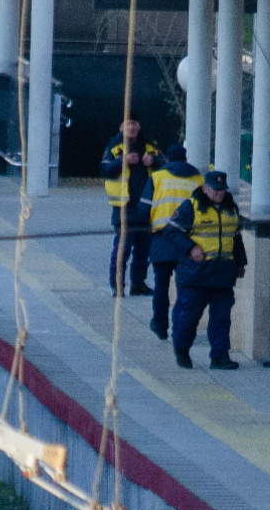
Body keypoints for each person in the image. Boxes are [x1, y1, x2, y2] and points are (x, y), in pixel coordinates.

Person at [167, 168, 248, 370]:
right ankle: (182, 350)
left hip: (223, 272)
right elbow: (171, 232)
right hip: (197, 273)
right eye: (215, 189)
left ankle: (220, 357)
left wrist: (240, 263)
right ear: (204, 188)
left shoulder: (231, 208)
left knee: (221, 317)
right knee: (190, 316)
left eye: (222, 189)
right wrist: (190, 248)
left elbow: (236, 239)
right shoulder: (190, 207)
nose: (219, 193)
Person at [143, 149, 198, 339]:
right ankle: (179, 329)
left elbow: (144, 208)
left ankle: (160, 325)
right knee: (184, 287)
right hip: (188, 242)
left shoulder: (157, 177)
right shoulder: (198, 179)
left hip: (161, 239)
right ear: (186, 159)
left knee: (161, 285)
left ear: (166, 159)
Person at [99, 119, 154, 296]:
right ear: (121, 127)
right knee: (122, 251)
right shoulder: (114, 147)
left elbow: (164, 164)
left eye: (135, 123)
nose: (132, 127)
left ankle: (138, 284)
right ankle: (117, 286)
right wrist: (122, 161)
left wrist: (154, 160)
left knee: (143, 252)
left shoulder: (149, 146)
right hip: (124, 208)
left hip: (146, 208)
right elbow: (104, 170)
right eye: (128, 124)